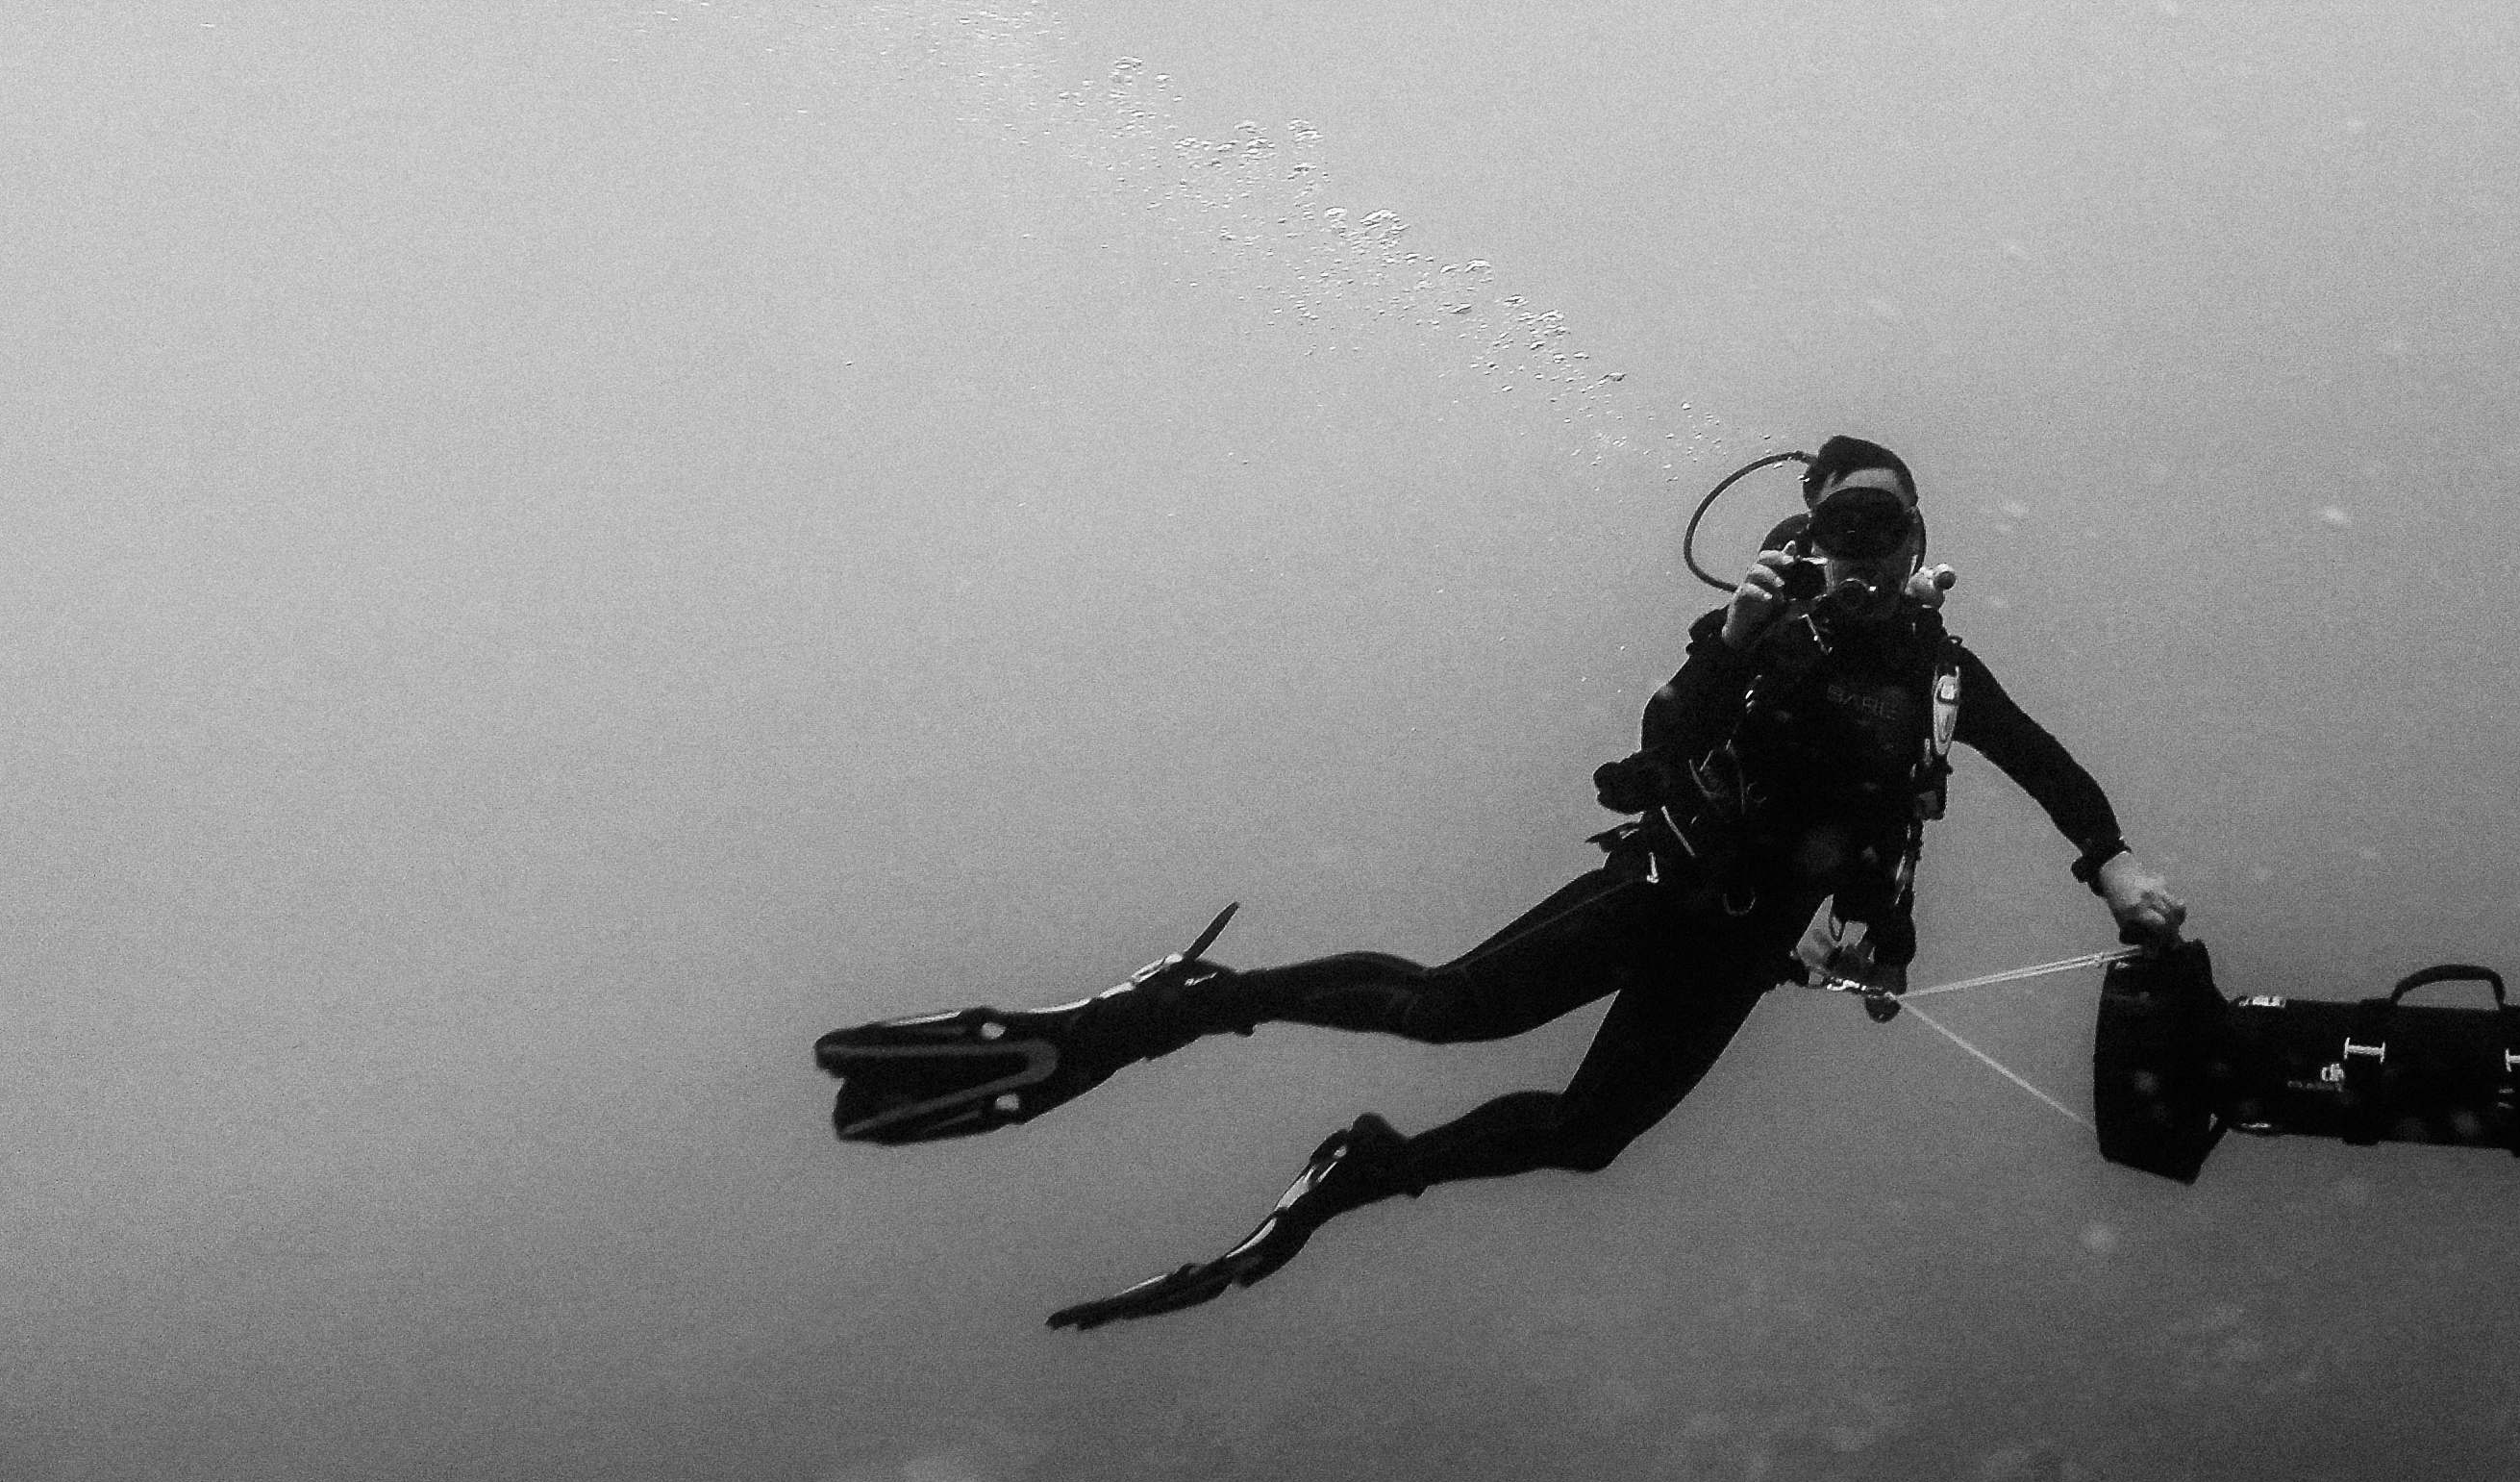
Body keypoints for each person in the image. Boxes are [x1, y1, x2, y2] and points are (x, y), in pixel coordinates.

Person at [812, 436, 2187, 1328]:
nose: (1869, 549)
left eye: (1886, 527)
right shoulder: (1767, 635)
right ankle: (1175, 1007)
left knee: (1592, 1134)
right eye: (1845, 526)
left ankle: (1371, 1169)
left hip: (1742, 946)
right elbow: (1661, 746)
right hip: (1668, 881)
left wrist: (2117, 870)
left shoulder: (1947, 671)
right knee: (1446, 1007)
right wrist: (1744, 635)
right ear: (1811, 534)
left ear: (1919, 533)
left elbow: (2048, 764)